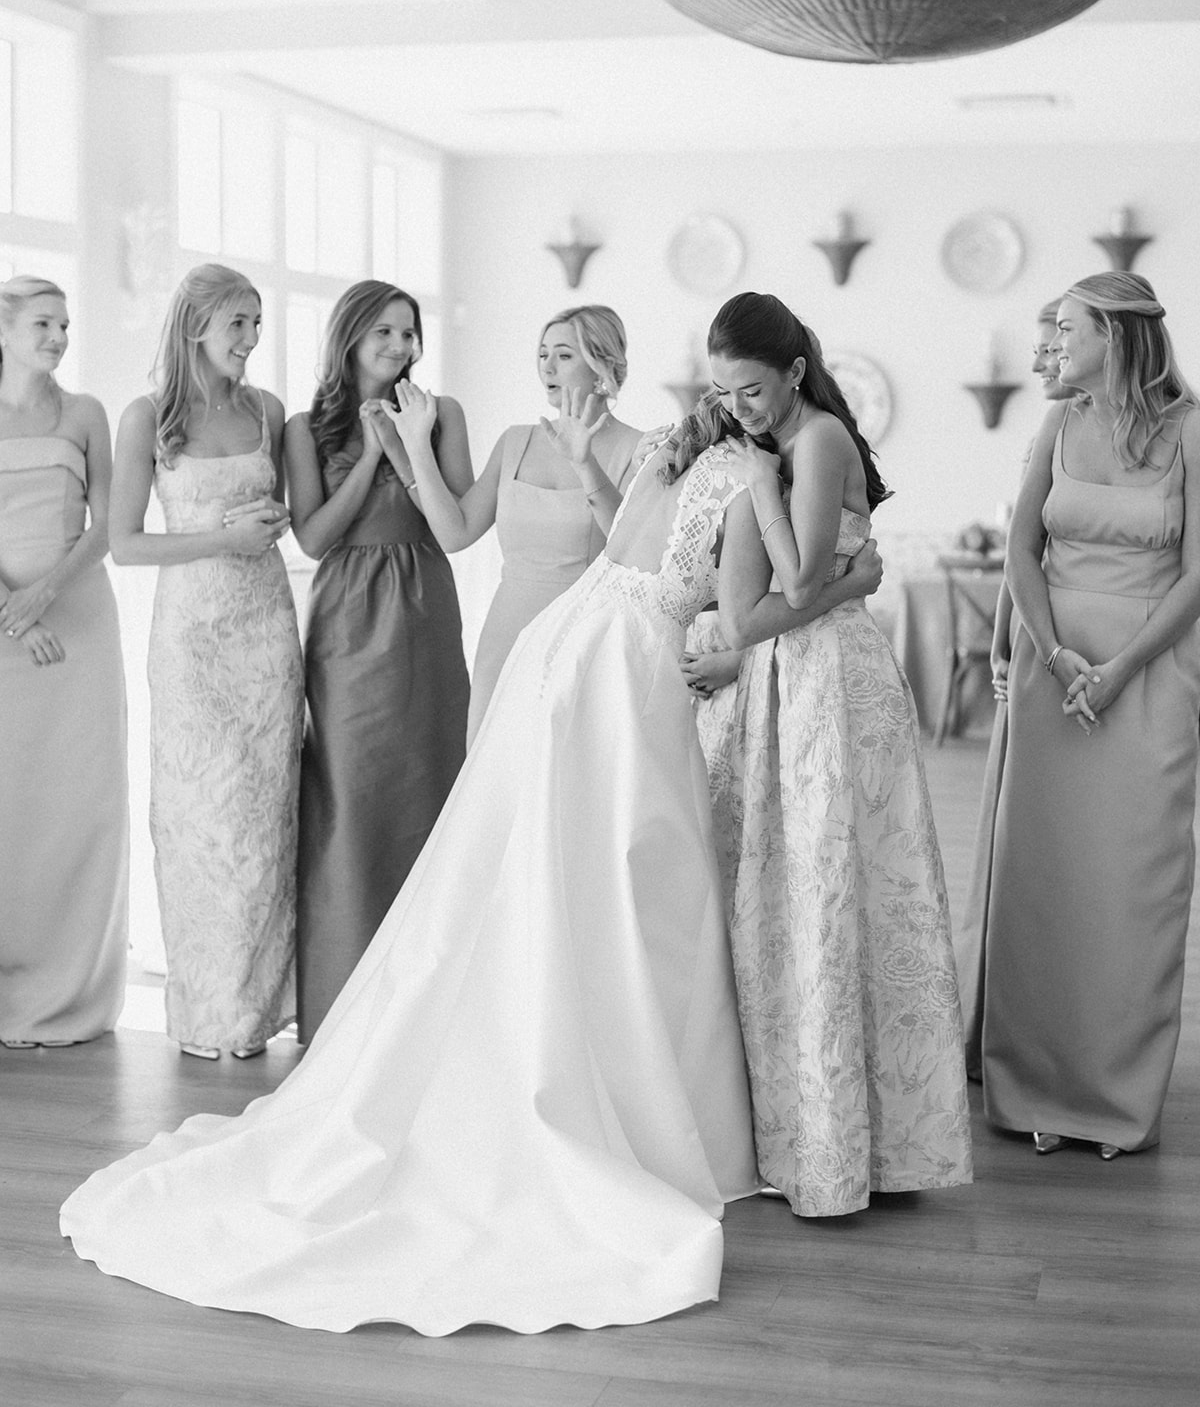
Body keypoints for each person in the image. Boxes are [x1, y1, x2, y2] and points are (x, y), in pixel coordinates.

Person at [60, 390, 881, 1336]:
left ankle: (586, 1048)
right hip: (629, 666)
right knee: (632, 878)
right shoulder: (747, 475)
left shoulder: (670, 452)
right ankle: (634, 1098)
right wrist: (848, 577)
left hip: (569, 637)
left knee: (559, 863)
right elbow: (745, 614)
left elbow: (627, 545)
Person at [707, 292, 973, 1217]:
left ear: (792, 372)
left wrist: (759, 488)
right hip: (787, 678)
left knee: (841, 892)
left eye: (750, 390)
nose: (738, 408)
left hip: (833, 685)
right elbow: (769, 603)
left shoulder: (816, 440)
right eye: (723, 393)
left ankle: (866, 1145)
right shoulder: (774, 442)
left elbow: (796, 583)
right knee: (793, 898)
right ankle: (810, 1134)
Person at [981, 272, 1200, 1159]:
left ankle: (1115, 1101)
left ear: (1116, 333)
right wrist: (1051, 650)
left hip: (1149, 674)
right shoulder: (1058, 423)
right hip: (1055, 671)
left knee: (1133, 885)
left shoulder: (1192, 430)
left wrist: (1120, 669)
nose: (1055, 343)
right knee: (1046, 884)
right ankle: (1037, 1087)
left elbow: (1198, 575)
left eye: (1070, 328)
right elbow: (1020, 548)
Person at [108, 263, 302, 1061]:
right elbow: (125, 544)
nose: (251, 339)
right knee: (200, 818)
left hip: (266, 632)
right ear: (196, 327)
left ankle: (256, 1012)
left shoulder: (269, 411)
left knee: (264, 819)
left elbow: (288, 518)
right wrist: (223, 537)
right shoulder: (147, 418)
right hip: (191, 638)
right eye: (237, 324)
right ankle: (203, 1011)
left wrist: (272, 522)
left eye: (256, 322)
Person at [284, 281, 471, 1041]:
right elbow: (312, 536)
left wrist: (407, 443)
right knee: (349, 795)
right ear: (350, 338)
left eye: (409, 333)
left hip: (424, 606)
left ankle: (429, 1008)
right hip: (346, 617)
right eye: (384, 333)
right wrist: (369, 456)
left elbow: (455, 520)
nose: (400, 346)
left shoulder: (441, 413)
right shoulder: (305, 428)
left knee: (430, 787)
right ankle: (341, 1004)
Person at [397, 304, 643, 743]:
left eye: (564, 355)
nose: (547, 366)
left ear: (602, 365)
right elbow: (455, 533)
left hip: (582, 638)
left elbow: (633, 553)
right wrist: (416, 443)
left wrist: (585, 463)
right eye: (543, 354)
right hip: (505, 637)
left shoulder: (637, 448)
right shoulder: (516, 441)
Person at [0, 276, 128, 1049]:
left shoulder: (85, 414)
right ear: (4, 329)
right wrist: (13, 614)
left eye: (66, 325)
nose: (59, 338)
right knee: (9, 806)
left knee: (76, 807)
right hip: (5, 628)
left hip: (77, 621)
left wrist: (44, 595)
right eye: (44, 324)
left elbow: (108, 524)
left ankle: (66, 991)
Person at [959, 300, 1072, 1077]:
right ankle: (990, 1022)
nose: (1038, 363)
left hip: (1082, 646)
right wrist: (1003, 640)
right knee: (1010, 834)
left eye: (1050, 348)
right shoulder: (1049, 432)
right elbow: (1020, 552)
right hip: (1038, 645)